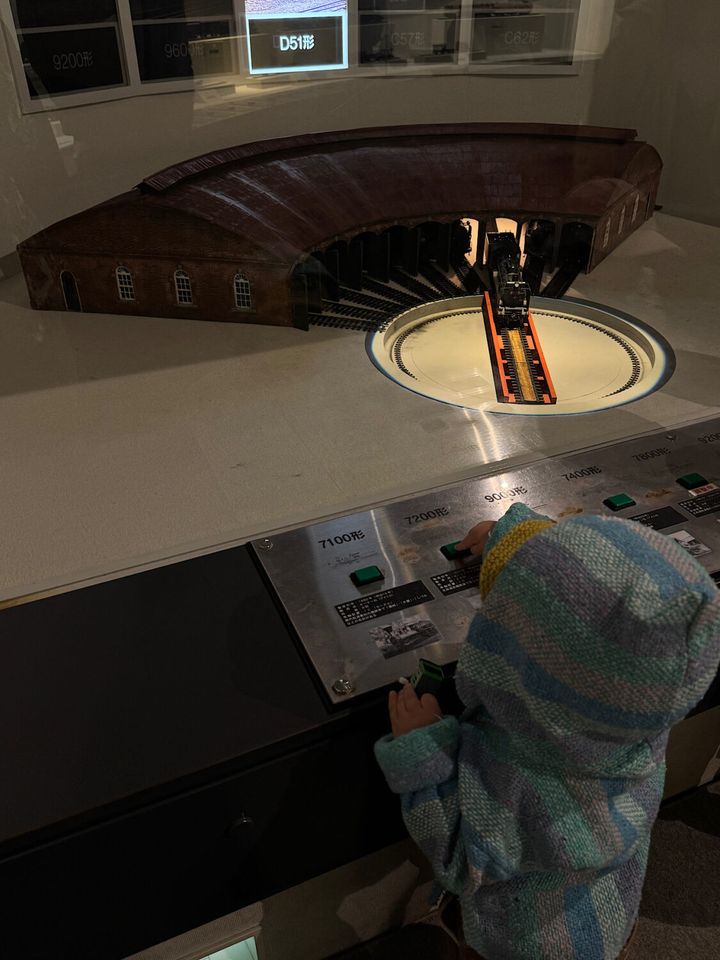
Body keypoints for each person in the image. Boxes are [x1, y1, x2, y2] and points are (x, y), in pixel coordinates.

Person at [374, 503, 720, 960]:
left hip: (528, 944)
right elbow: (588, 613)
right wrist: (511, 538)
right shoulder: (638, 712)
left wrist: (423, 749)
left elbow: (458, 857)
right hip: (610, 914)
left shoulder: (520, 781)